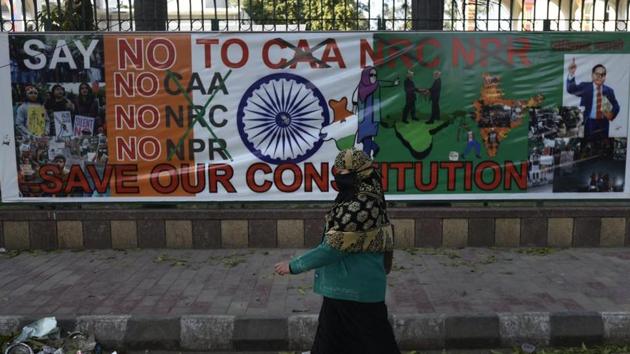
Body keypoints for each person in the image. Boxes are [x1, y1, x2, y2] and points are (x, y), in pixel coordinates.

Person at [274, 148, 399, 354]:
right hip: (345, 288)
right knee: (331, 344)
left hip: (356, 290)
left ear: (358, 173)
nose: (337, 176)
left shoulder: (361, 205)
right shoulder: (364, 195)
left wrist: (294, 266)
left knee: (376, 344)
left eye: (341, 173)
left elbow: (333, 247)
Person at [566, 59, 619, 141]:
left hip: (603, 123)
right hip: (587, 122)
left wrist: (612, 113)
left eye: (602, 74)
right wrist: (571, 73)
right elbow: (571, 89)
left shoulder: (609, 91)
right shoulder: (585, 87)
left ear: (605, 77)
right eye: (597, 74)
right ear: (592, 75)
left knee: (601, 148)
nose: (599, 77)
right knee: (585, 147)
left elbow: (616, 105)